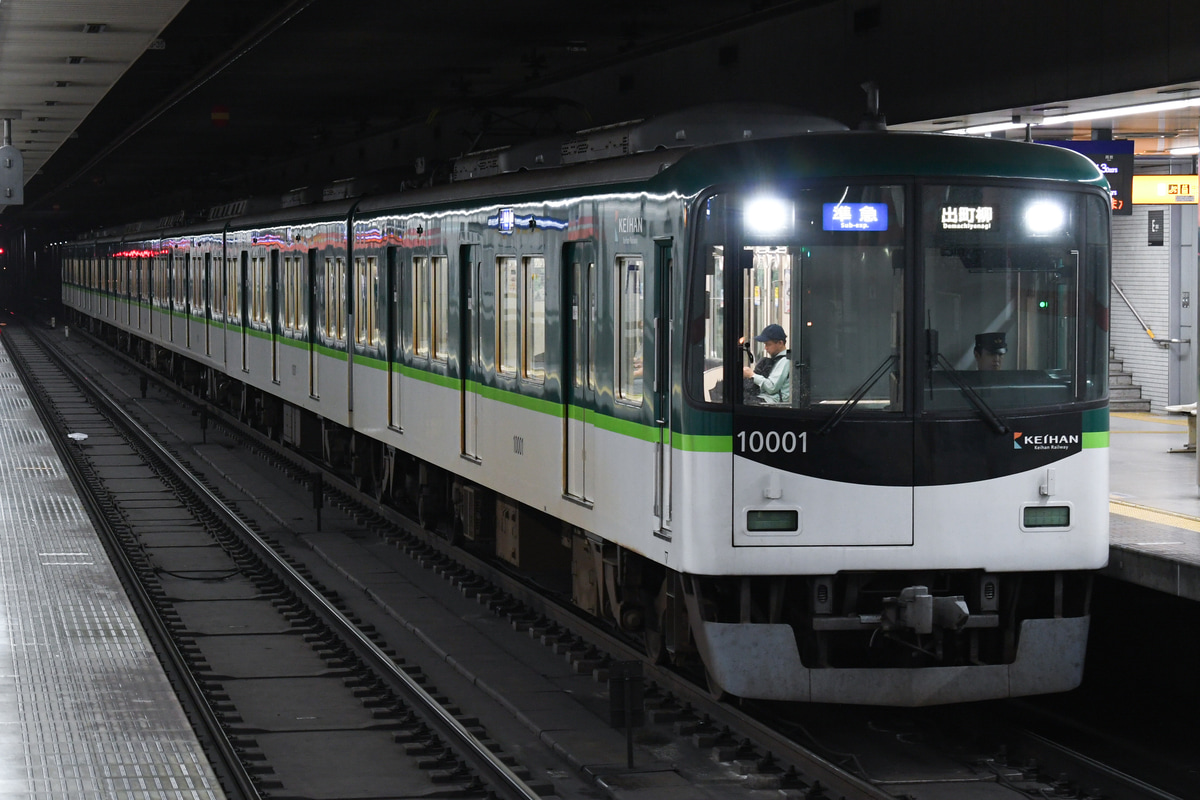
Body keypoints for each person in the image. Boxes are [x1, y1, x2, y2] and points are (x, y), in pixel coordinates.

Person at [743, 323, 791, 404]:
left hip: (772, 401)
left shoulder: (786, 361)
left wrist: (752, 375)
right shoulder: (775, 360)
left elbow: (771, 387)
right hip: (763, 397)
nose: (765, 348)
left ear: (780, 343)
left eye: (768, 344)